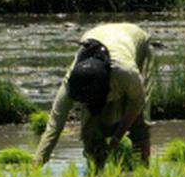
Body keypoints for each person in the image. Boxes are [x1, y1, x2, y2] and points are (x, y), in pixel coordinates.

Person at [35, 23, 154, 169]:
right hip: (96, 36)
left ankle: (142, 170)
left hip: (135, 42)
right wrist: (37, 162)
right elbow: (54, 126)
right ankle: (96, 173)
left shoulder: (126, 73)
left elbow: (137, 102)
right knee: (90, 130)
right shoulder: (72, 83)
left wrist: (117, 137)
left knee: (139, 124)